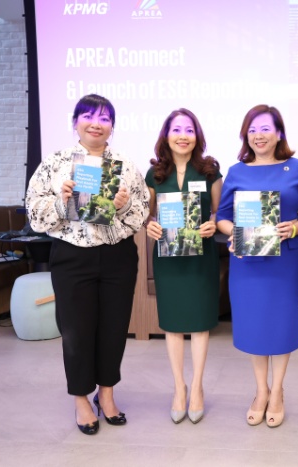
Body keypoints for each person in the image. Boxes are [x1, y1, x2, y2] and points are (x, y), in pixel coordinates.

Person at [25, 94, 149, 435]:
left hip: (117, 256)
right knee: (76, 331)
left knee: (113, 328)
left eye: (105, 118)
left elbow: (142, 212)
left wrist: (123, 206)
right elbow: (34, 214)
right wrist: (60, 201)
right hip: (72, 256)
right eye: (89, 116)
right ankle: (81, 398)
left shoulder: (125, 164)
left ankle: (106, 394)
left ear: (113, 126)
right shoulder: (56, 163)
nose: (97, 123)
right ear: (75, 122)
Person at [216, 105, 298, 428]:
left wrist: (295, 228)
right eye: (253, 130)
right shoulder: (236, 171)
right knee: (255, 325)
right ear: (246, 135)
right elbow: (222, 218)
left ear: (279, 133)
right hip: (248, 263)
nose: (259, 135)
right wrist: (236, 233)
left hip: (285, 261)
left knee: (282, 325)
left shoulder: (297, 168)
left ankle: (278, 391)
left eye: (265, 129)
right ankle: (261, 391)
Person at [144, 109, 222, 424]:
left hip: (200, 257)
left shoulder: (209, 170)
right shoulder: (154, 174)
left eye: (189, 129)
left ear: (196, 135)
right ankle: (179, 388)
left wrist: (214, 223)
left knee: (200, 323)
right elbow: (147, 215)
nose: (183, 136)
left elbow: (220, 212)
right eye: (176, 129)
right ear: (166, 135)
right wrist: (149, 225)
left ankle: (198, 387)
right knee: (173, 324)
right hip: (169, 259)